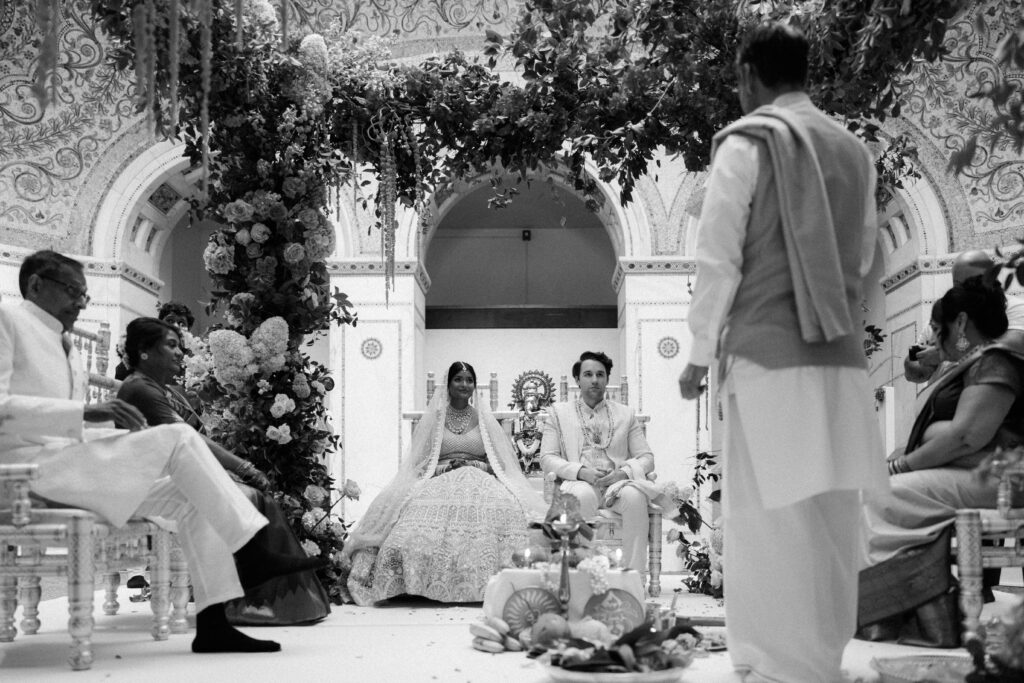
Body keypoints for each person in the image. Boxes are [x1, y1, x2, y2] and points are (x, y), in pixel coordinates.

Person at [677, 24, 889, 682]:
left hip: (768, 352)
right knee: (830, 510)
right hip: (840, 355)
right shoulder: (854, 149)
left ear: (747, 76)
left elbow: (719, 255)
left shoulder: (749, 142)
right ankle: (823, 655)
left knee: (768, 515)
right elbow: (862, 255)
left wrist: (697, 351)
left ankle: (773, 664)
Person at [0, 250, 324, 654]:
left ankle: (213, 625)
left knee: (194, 499)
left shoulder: (66, 345)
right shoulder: (8, 321)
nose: (82, 302)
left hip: (74, 468)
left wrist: (105, 429)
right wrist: (85, 412)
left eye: (85, 294)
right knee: (178, 437)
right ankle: (253, 547)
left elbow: (73, 425)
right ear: (35, 285)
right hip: (27, 473)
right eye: (73, 291)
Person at [116, 317, 330, 625]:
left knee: (254, 497)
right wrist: (243, 467)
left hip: (168, 476)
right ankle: (251, 601)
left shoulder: (160, 389)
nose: (180, 353)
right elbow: (188, 438)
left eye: (181, 346)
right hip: (149, 485)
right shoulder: (139, 389)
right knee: (249, 498)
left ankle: (270, 596)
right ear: (144, 351)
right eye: (171, 345)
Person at [859, 279, 1024, 645]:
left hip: (1002, 482)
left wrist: (906, 462)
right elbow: (960, 433)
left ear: (961, 324)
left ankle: (903, 612)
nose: (934, 339)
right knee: (873, 495)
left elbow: (968, 435)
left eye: (938, 329)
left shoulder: (997, 359)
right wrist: (935, 439)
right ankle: (895, 610)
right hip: (974, 472)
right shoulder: (977, 359)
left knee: (883, 496)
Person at [343, 362, 547, 605]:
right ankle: (411, 584)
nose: (464, 384)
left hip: (480, 481)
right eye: (458, 379)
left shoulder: (484, 419)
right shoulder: (435, 420)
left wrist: (474, 466)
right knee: (405, 530)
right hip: (439, 480)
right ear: (448, 384)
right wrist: (446, 468)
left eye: (469, 380)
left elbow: (498, 464)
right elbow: (420, 464)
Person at [539, 351, 657, 573]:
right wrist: (581, 471)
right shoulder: (559, 413)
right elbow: (546, 458)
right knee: (581, 496)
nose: (595, 380)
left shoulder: (625, 414)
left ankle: (633, 579)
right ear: (577, 379)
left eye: (600, 374)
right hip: (581, 482)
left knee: (635, 497)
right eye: (588, 374)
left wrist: (623, 474)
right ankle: (581, 574)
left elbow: (647, 458)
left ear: (607, 379)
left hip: (617, 485)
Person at [905, 249, 1024, 383]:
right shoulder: (943, 313)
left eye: (972, 284)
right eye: (959, 285)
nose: (966, 291)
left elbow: (1008, 354)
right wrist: (918, 362)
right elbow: (913, 371)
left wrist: (943, 354)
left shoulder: (1017, 309)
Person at [114, 301, 195, 380]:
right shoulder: (146, 353)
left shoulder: (193, 361)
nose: (176, 326)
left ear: (188, 330)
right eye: (170, 321)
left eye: (182, 323)